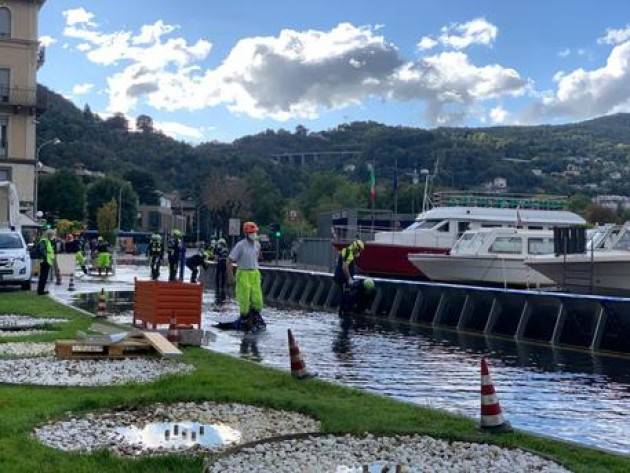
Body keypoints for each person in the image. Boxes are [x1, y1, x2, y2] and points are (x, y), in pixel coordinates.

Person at [226, 221, 265, 332]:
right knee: (245, 299)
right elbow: (229, 260)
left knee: (257, 300)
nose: (254, 234)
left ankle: (255, 318)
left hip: (255, 273)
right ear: (246, 234)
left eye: (255, 232)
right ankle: (245, 320)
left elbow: (258, 256)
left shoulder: (257, 244)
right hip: (243, 273)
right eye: (251, 232)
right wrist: (230, 276)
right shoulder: (240, 245)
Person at [333, 239, 364, 316]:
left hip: (342, 279)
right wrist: (349, 278)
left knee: (344, 297)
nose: (359, 252)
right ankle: (344, 313)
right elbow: (345, 267)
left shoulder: (347, 251)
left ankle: (344, 312)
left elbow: (348, 265)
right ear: (356, 248)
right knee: (344, 298)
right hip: (343, 280)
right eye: (359, 250)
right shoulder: (348, 252)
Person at [37, 229, 55, 295]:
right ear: (49, 235)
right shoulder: (44, 241)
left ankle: (41, 290)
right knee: (43, 276)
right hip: (45, 261)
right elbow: (42, 250)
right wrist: (45, 256)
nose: (53, 236)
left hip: (47, 260)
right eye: (52, 235)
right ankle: (41, 291)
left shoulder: (47, 241)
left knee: (44, 276)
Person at [214, 238, 229, 304]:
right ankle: (222, 287)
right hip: (225, 263)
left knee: (217, 275)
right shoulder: (226, 249)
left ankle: (217, 288)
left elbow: (216, 258)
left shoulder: (218, 249)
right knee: (223, 276)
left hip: (220, 263)